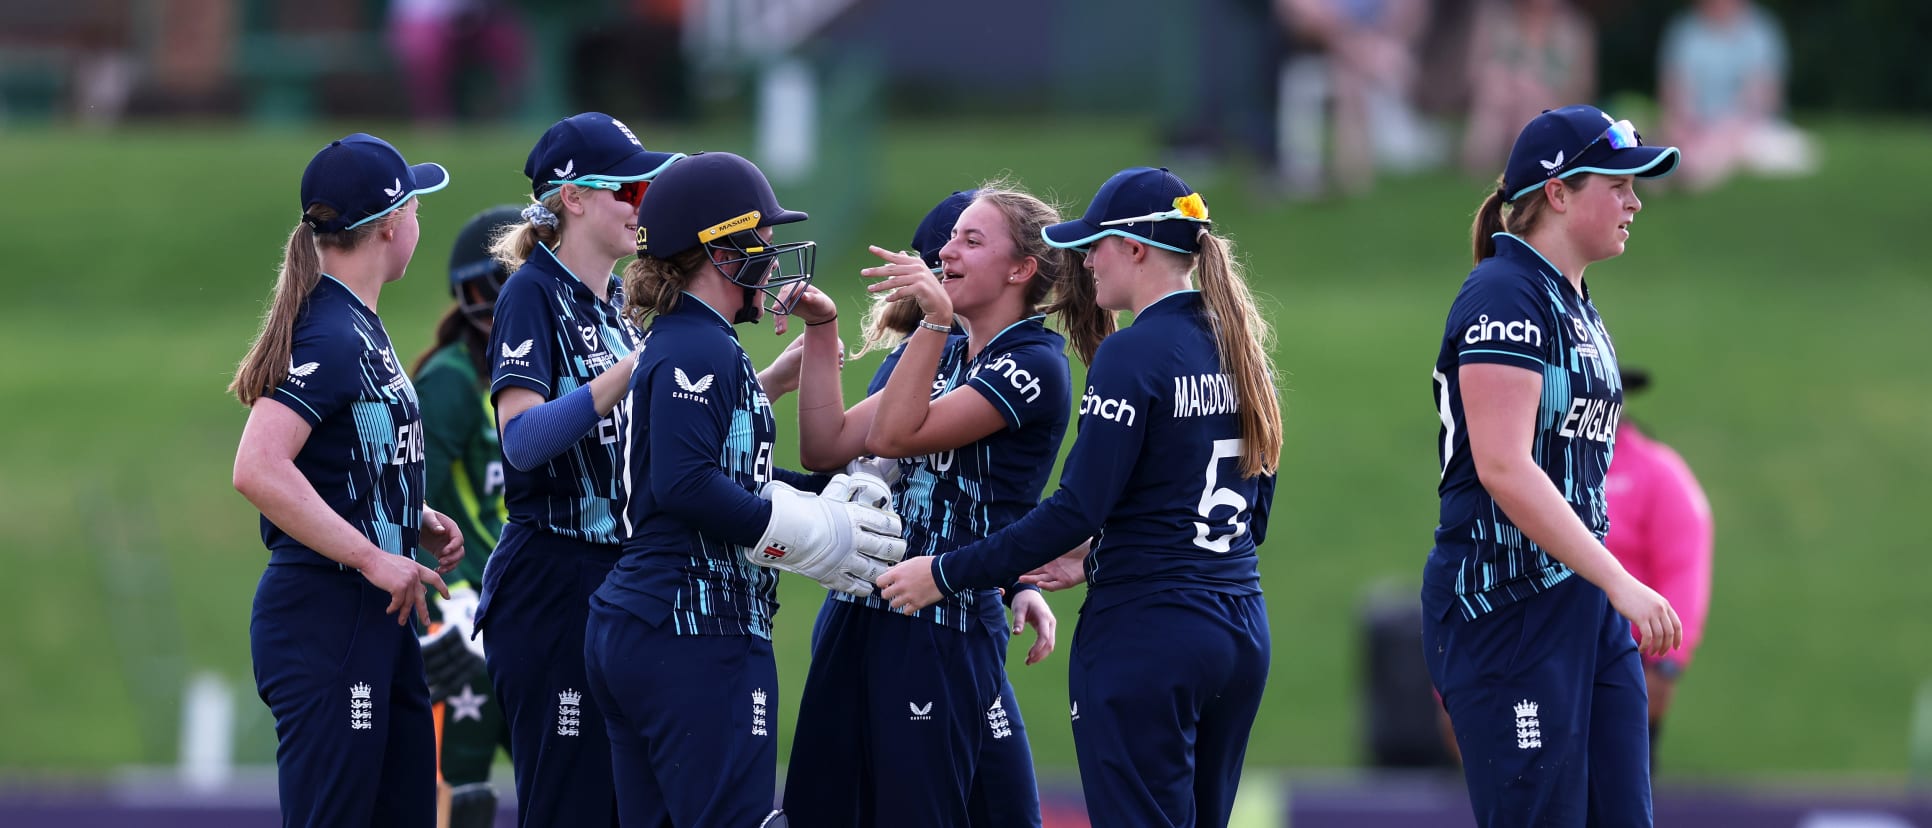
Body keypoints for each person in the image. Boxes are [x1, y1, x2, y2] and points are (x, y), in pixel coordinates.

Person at [878, 167, 1282, 828]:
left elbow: (1075, 508)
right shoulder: (1241, 348)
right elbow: (1248, 514)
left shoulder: (1132, 352)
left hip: (1148, 635)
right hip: (1239, 629)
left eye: (1095, 243)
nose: (1084, 260)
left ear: (1136, 249)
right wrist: (1093, 553)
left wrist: (945, 574)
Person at [585, 150, 907, 827]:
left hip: (651, 623)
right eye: (761, 240)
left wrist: (825, 495)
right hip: (694, 628)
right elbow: (684, 484)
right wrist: (816, 534)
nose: (771, 255)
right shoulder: (698, 348)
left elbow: (732, 479)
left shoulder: (697, 341)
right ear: (721, 250)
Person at [783, 185, 1108, 827]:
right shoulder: (943, 350)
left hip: (941, 620)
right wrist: (822, 334)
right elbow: (829, 449)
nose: (945, 253)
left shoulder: (1033, 362)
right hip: (859, 604)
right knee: (819, 809)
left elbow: (895, 436)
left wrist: (932, 322)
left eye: (970, 240)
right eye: (950, 239)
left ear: (1020, 271)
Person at [1420, 105, 1686, 826]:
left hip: (1582, 609)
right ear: (1560, 191)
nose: (1635, 201)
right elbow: (1503, 469)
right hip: (1505, 607)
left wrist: (1605, 591)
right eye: (1618, 183)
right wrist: (1622, 581)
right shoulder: (1504, 293)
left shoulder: (1576, 303)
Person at [229, 132, 463, 827]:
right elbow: (258, 467)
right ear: (391, 224)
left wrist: (406, 513)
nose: (421, 220)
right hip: (326, 616)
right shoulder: (332, 332)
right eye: (416, 206)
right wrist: (370, 553)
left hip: (374, 618)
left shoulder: (359, 324)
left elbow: (337, 454)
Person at [471, 111, 679, 828]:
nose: (641, 204)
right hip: (552, 581)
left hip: (612, 578)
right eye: (628, 189)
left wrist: (765, 383)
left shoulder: (614, 306)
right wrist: (631, 371)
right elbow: (523, 441)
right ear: (573, 198)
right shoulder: (532, 292)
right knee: (570, 803)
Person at [410, 205, 522, 827]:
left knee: (562, 774)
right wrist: (447, 605)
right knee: (462, 786)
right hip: (463, 616)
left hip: (520, 608)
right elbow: (405, 501)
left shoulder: (542, 377)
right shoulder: (452, 382)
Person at [1604, 367, 1713, 769]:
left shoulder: (1656, 471)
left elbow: (1684, 567)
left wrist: (1667, 663)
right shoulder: (1536, 465)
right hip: (1545, 664)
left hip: (1625, 666)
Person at [1659, 0, 1815, 190]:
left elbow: (1764, 99)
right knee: (1673, 135)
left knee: (1777, 147)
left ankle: (1694, 170)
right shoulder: (1685, 32)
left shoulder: (1760, 30)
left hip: (1747, 127)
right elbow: (1676, 93)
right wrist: (1689, 126)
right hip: (1697, 128)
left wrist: (1728, 131)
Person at [1459, 0, 1595, 177]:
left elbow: (1581, 87)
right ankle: (1485, 158)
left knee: (1530, 93)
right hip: (1500, 104)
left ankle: (1522, 155)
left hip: (1547, 109)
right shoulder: (1497, 20)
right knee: (1496, 82)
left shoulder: (1575, 29)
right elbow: (1475, 71)